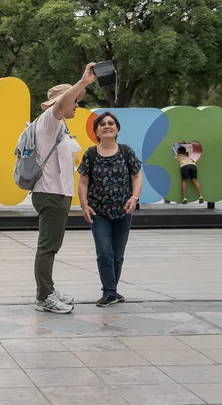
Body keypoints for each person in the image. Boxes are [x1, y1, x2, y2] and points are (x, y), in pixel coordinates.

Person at [31, 63, 97, 314]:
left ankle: (47, 290)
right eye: (74, 101)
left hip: (57, 193)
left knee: (51, 246)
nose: (77, 105)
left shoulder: (58, 125)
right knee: (47, 247)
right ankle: (43, 296)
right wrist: (82, 82)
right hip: (50, 193)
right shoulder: (49, 120)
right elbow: (61, 104)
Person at [78, 112, 143, 307]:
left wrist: (134, 197)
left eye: (111, 123)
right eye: (102, 124)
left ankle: (112, 290)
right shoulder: (90, 154)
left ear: (117, 129)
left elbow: (136, 176)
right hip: (99, 212)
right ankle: (109, 292)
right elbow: (83, 180)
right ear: (96, 130)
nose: (107, 126)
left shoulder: (126, 151)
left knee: (117, 254)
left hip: (123, 211)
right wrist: (84, 205)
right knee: (104, 252)